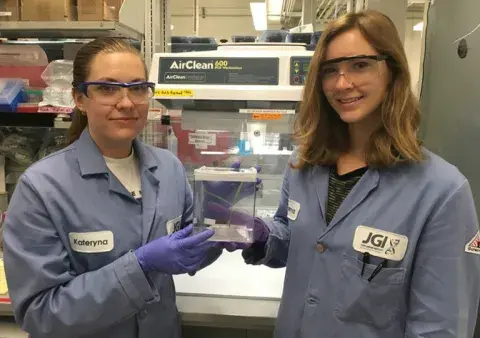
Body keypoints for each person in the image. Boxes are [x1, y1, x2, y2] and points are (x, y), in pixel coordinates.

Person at [226, 10, 480, 338]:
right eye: (330, 71)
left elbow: (441, 327)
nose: (342, 83)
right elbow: (294, 241)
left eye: (360, 65)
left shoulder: (442, 192)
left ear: (393, 71)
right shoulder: (304, 163)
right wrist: (260, 235)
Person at [2, 37, 225, 338]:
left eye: (137, 88)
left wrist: (218, 228)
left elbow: (185, 253)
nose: (126, 102)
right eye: (107, 88)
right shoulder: (42, 188)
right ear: (79, 99)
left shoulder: (169, 169)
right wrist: (140, 266)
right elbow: (39, 312)